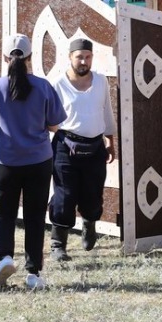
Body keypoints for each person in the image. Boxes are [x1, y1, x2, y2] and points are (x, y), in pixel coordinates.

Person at [0, 34, 62, 291]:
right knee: (35, 216)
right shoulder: (43, 87)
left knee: (3, 212)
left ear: (4, 57)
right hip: (38, 160)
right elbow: (55, 124)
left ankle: (4, 258)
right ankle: (33, 272)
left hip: (5, 160)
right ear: (31, 57)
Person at [48, 38, 115, 260]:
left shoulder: (101, 81)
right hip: (65, 147)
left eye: (88, 57)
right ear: (70, 57)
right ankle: (58, 244)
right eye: (79, 57)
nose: (84, 61)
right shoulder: (57, 84)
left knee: (93, 195)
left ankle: (89, 223)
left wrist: (110, 140)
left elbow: (106, 111)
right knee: (64, 196)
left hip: (95, 147)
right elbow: (48, 118)